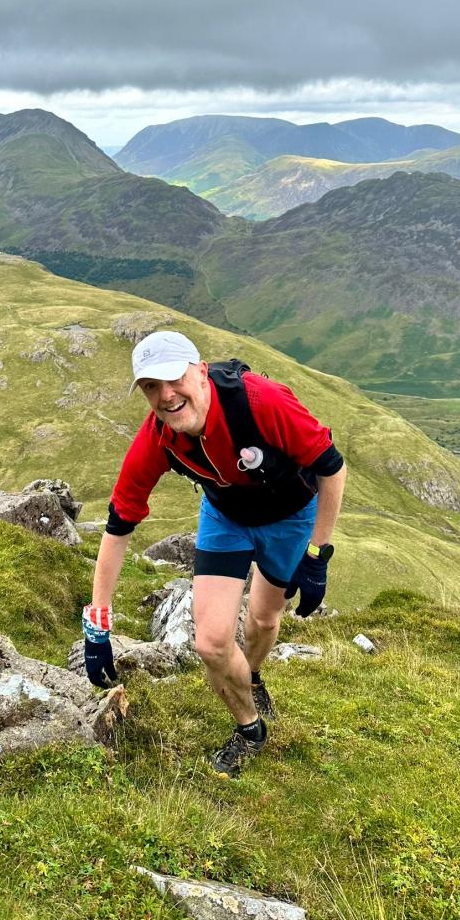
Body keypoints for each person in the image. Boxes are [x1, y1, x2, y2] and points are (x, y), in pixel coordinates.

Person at [82, 330, 346, 777]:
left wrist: (317, 554)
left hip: (291, 518)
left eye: (174, 379)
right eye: (151, 387)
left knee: (263, 620)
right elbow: (119, 523)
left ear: (201, 372)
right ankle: (250, 728)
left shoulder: (261, 402)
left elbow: (331, 467)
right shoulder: (158, 437)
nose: (166, 396)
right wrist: (97, 625)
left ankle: (253, 675)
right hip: (226, 519)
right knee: (210, 642)